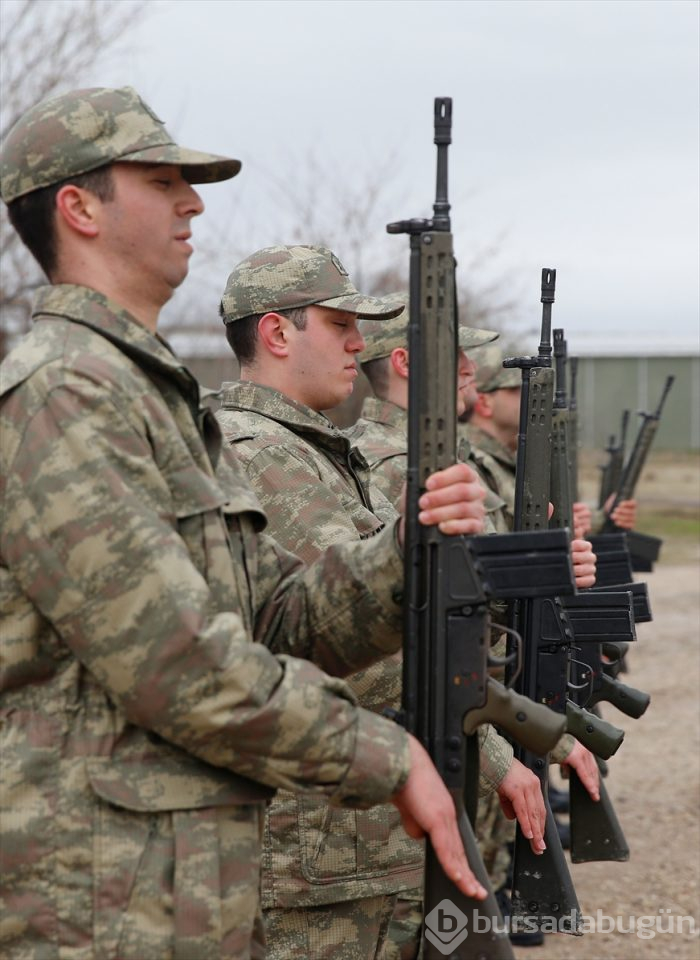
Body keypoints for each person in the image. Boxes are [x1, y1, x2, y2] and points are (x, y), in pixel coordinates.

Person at [0, 87, 488, 960]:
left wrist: (409, 551)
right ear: (77, 207)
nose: (192, 202)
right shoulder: (64, 392)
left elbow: (272, 624)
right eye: (161, 181)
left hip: (177, 894)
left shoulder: (157, 399)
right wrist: (386, 755)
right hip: (96, 905)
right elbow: (173, 660)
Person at [214, 245, 548, 959]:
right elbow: (348, 647)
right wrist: (490, 737)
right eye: (340, 325)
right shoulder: (260, 455)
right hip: (327, 844)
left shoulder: (314, 452)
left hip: (357, 834)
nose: (359, 345)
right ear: (277, 334)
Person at [350, 307, 601, 948]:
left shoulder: (426, 458)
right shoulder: (385, 463)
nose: (474, 373)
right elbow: (414, 626)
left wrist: (547, 562)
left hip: (476, 695)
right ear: (406, 364)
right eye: (457, 355)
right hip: (433, 719)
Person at [464, 342, 637, 537]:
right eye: (517, 389)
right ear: (485, 403)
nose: (531, 395)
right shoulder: (469, 463)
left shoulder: (506, 459)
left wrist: (600, 518)